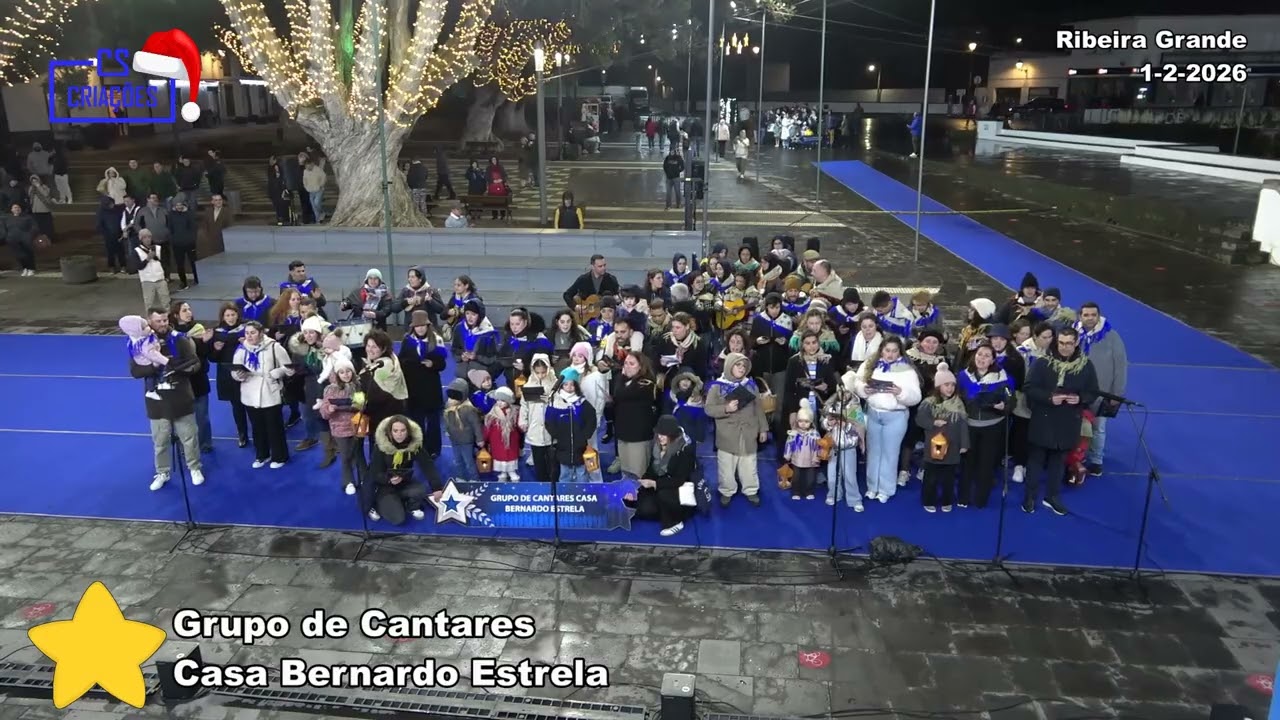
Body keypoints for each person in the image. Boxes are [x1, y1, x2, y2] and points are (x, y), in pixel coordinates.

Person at [1023, 327, 1099, 516]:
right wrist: (1049, 398)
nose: (1065, 347)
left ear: (1076, 344)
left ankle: (1052, 497)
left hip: (1068, 421)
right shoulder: (1043, 363)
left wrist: (1080, 398)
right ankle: (1030, 496)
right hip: (1044, 418)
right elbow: (1029, 387)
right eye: (1062, 343)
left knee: (1059, 462)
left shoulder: (1086, 366)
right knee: (1036, 461)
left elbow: (1093, 391)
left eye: (1069, 344)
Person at [129, 307, 204, 490]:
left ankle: (194, 467)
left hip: (181, 396)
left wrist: (186, 370)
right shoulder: (139, 342)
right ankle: (162, 471)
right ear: (149, 321)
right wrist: (154, 366)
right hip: (157, 400)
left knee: (189, 437)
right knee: (160, 441)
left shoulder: (180, 339)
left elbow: (195, 363)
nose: (163, 324)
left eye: (164, 320)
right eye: (158, 321)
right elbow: (136, 371)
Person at [849, 336, 922, 503]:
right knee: (873, 452)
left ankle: (886, 489)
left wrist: (900, 392)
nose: (890, 354)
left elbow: (916, 397)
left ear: (900, 352)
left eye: (894, 351)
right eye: (887, 350)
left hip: (895, 416)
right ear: (881, 350)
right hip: (874, 414)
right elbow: (857, 383)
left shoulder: (907, 370)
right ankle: (872, 487)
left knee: (890, 453)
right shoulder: (870, 364)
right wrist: (865, 390)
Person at [704, 351, 768, 507]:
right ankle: (727, 490)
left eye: (744, 366)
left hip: (748, 433)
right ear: (729, 366)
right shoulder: (717, 387)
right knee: (726, 466)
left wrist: (763, 429)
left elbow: (759, 409)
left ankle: (751, 490)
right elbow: (708, 409)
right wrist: (726, 408)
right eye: (738, 365)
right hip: (727, 435)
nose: (741, 368)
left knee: (749, 465)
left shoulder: (751, 385)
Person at [232, 321, 294, 469]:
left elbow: (289, 368)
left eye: (253, 333)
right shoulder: (241, 349)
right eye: (247, 333)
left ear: (261, 333)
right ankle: (262, 455)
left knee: (274, 427)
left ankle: (280, 456)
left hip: (270, 392)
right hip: (249, 393)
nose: (249, 336)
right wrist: (239, 375)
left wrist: (276, 372)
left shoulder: (274, 347)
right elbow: (234, 372)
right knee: (256, 427)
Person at [1076, 302, 1127, 477]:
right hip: (1078, 391)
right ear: (1080, 316)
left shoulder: (1112, 337)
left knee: (1098, 427)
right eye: (1086, 315)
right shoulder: (1074, 335)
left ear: (1098, 316)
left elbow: (1120, 367)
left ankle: (1096, 460)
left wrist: (1117, 394)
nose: (1090, 318)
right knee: (1077, 425)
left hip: (1102, 392)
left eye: (1093, 315)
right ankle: (1077, 456)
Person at [626, 415, 696, 537]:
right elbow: (651, 470)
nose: (660, 437)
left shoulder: (685, 449)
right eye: (659, 434)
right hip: (661, 484)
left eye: (664, 435)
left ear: (672, 435)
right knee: (644, 509)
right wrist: (639, 485)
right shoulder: (657, 445)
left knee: (663, 495)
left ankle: (675, 521)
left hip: (678, 489)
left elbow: (680, 480)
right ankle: (661, 508)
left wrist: (655, 484)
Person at [367, 415, 442, 525]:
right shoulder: (380, 446)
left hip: (404, 482)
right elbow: (374, 472)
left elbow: (427, 465)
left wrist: (436, 487)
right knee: (398, 519)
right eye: (395, 431)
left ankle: (408, 505)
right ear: (390, 431)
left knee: (421, 490)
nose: (399, 434)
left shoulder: (414, 445)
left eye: (403, 430)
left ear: (408, 431)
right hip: (384, 486)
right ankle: (377, 504)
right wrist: (388, 480)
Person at [915, 362, 967, 512]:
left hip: (953, 447)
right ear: (938, 386)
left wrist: (964, 444)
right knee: (931, 477)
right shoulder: (928, 403)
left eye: (952, 385)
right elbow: (920, 420)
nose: (950, 388)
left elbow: (963, 425)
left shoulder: (958, 404)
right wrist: (933, 422)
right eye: (946, 385)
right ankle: (928, 500)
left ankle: (946, 500)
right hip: (934, 447)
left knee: (949, 478)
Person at [319, 358, 366, 496]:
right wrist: (330, 409)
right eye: (342, 372)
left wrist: (356, 406)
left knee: (359, 454)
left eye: (348, 371)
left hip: (359, 425)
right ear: (337, 374)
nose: (346, 375)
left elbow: (361, 406)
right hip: (340, 428)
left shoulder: (358, 386)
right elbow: (323, 411)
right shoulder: (330, 390)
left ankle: (364, 478)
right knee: (346, 456)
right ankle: (348, 481)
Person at [821, 388, 866, 509]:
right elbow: (823, 422)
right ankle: (834, 494)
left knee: (849, 476)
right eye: (841, 392)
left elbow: (860, 429)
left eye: (847, 392)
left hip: (848, 448)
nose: (844, 395)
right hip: (833, 447)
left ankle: (854, 499)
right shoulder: (831, 405)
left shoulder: (855, 408)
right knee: (832, 475)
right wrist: (828, 423)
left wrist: (847, 426)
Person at [482, 387, 522, 480]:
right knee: (500, 457)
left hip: (511, 441)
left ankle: (512, 472)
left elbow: (519, 425)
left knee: (510, 457)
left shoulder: (515, 412)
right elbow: (487, 428)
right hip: (497, 441)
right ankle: (503, 473)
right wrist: (484, 438)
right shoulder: (492, 414)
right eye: (498, 400)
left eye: (503, 400)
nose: (499, 402)